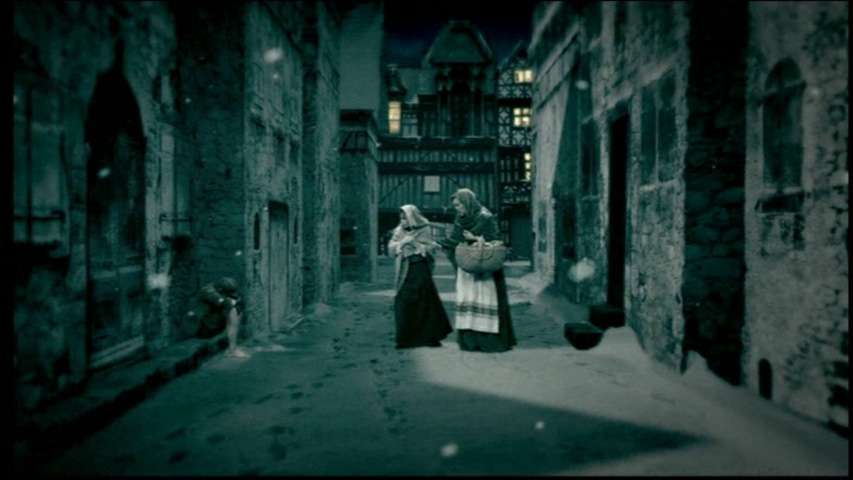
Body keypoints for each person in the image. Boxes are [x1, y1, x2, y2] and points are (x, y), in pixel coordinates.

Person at [439, 188, 517, 352]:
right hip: (467, 266)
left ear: (467, 203)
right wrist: (441, 243)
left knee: (487, 300)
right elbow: (454, 240)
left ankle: (489, 341)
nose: (457, 209)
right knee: (468, 300)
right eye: (455, 206)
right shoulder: (460, 219)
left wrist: (475, 239)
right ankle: (471, 341)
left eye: (459, 205)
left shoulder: (485, 217)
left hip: (486, 267)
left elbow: (497, 241)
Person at [388, 204, 453, 349]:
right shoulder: (399, 230)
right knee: (403, 302)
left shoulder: (424, 229)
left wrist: (416, 245)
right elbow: (391, 248)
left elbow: (431, 248)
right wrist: (402, 243)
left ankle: (430, 337)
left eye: (405, 218)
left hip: (420, 269)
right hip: (404, 270)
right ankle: (404, 339)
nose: (403, 222)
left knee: (425, 302)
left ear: (412, 218)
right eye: (401, 219)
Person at [195, 277, 250, 358]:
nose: (229, 296)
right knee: (232, 311)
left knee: (236, 309)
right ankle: (232, 350)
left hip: (210, 323)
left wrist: (236, 301)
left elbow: (239, 301)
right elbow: (226, 303)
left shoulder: (220, 291)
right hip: (199, 327)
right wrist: (233, 302)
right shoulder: (207, 291)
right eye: (227, 294)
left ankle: (232, 347)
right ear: (220, 290)